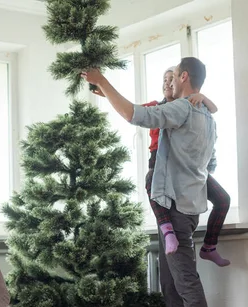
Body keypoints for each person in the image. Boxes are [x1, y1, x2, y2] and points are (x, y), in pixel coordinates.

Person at [82, 57, 218, 307]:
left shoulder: (183, 108)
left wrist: (101, 80)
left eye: (174, 76)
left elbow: (136, 115)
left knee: (186, 284)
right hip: (183, 205)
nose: (170, 82)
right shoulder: (208, 117)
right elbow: (211, 164)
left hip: (174, 208)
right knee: (170, 284)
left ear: (184, 77)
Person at [95, 67, 231, 266]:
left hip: (188, 166)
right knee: (151, 181)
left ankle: (209, 246)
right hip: (160, 161)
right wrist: (106, 91)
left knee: (223, 199)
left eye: (171, 78)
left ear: (180, 81)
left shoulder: (190, 107)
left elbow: (214, 110)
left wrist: (201, 96)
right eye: (164, 79)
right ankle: (168, 231)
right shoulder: (157, 107)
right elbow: (131, 110)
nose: (168, 82)